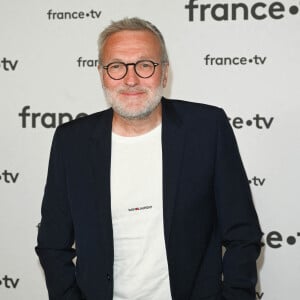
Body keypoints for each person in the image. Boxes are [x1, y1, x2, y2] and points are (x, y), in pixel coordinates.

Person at [36, 17, 262, 300]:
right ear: (102, 73)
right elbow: (52, 243)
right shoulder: (72, 141)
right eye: (117, 66)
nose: (131, 80)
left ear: (164, 73)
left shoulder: (207, 129)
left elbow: (243, 233)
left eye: (145, 65)